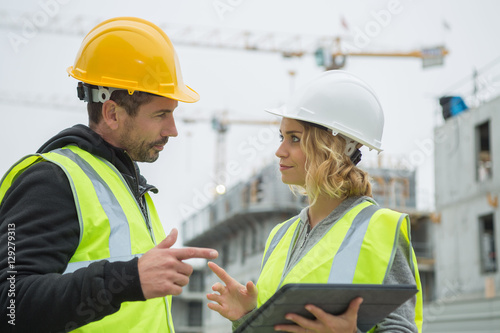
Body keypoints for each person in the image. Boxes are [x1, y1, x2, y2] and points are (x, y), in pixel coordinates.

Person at [0, 17, 218, 332]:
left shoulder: (126, 185)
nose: (173, 130)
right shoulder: (51, 180)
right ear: (112, 113)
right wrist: (127, 279)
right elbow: (10, 306)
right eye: (161, 114)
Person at [206, 70, 423, 332]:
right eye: (281, 137)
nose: (279, 150)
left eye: (295, 138)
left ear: (331, 149)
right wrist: (248, 317)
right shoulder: (280, 235)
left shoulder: (382, 229)